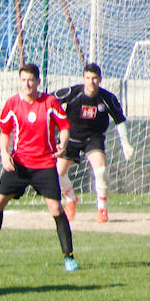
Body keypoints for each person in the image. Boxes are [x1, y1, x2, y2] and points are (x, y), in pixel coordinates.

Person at [0, 63, 78, 272]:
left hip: (44, 164)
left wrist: (63, 144)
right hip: (19, 164)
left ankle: (69, 257)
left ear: (38, 82)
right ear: (19, 81)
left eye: (31, 80)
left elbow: (64, 127)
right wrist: (4, 154)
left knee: (56, 208)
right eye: (23, 80)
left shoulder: (49, 102)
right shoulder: (12, 104)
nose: (27, 84)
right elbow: (5, 132)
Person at [54, 62, 134, 223]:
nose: (91, 82)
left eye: (94, 78)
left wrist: (125, 143)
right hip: (70, 137)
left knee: (101, 170)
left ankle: (102, 208)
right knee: (57, 174)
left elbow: (119, 120)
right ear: (83, 79)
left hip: (93, 138)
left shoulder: (108, 98)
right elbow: (49, 101)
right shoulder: (72, 93)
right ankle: (71, 199)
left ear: (100, 79)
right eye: (88, 78)